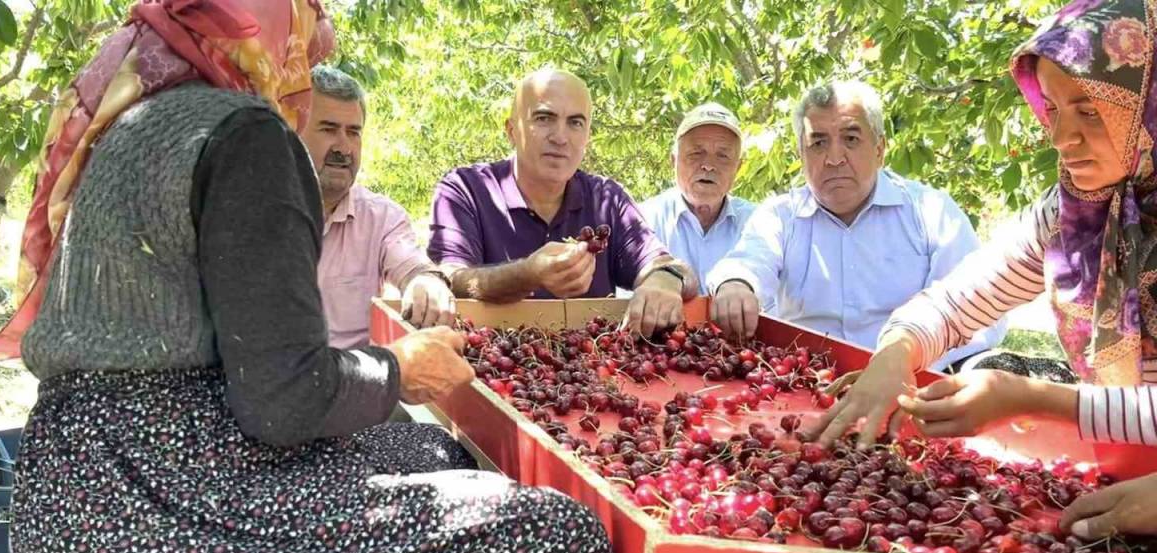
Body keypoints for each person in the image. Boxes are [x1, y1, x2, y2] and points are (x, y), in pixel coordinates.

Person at [0, 1, 622, 553]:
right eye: (305, 12)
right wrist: (398, 370)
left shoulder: (132, 120)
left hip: (72, 504)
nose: (320, 36)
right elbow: (283, 402)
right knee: (559, 539)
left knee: (430, 445)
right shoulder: (245, 133)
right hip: (165, 510)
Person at [804, 0, 1157, 541]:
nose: (1063, 139)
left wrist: (1031, 397)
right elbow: (959, 298)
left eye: (1090, 110)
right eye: (1053, 110)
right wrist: (898, 350)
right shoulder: (1074, 213)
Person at [707, 80, 1007, 370]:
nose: (834, 158)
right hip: (800, 387)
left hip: (911, 385)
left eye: (851, 139)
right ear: (802, 154)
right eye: (818, 142)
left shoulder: (931, 212)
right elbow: (746, 262)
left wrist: (905, 368)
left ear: (879, 149)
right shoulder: (780, 216)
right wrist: (736, 284)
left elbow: (977, 314)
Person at [428, 69, 698, 336]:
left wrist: (665, 280)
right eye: (544, 118)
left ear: (587, 136)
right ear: (512, 129)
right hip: (490, 367)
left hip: (590, 372)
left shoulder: (606, 200)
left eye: (575, 122)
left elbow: (667, 265)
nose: (560, 137)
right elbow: (450, 279)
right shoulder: (466, 190)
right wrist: (528, 273)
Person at [300, 65, 454, 348]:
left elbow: (413, 266)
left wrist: (428, 282)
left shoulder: (382, 219)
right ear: (293, 131)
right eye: (329, 129)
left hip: (354, 385)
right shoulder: (258, 213)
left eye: (354, 132)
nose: (344, 148)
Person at [640, 102, 757, 294]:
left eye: (723, 156)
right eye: (696, 153)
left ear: (739, 167)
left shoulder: (758, 225)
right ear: (673, 161)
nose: (709, 166)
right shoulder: (644, 221)